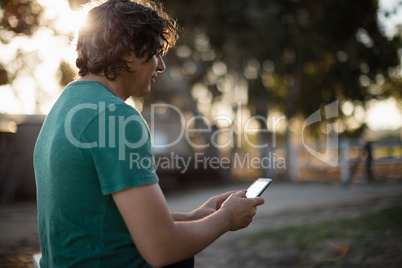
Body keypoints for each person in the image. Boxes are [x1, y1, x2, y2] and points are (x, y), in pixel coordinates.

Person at [33, 0, 264, 267]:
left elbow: (107, 222)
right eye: (155, 53)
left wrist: (200, 215)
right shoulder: (115, 117)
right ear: (129, 52)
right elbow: (163, 248)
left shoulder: (65, 107)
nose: (161, 65)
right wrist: (226, 219)